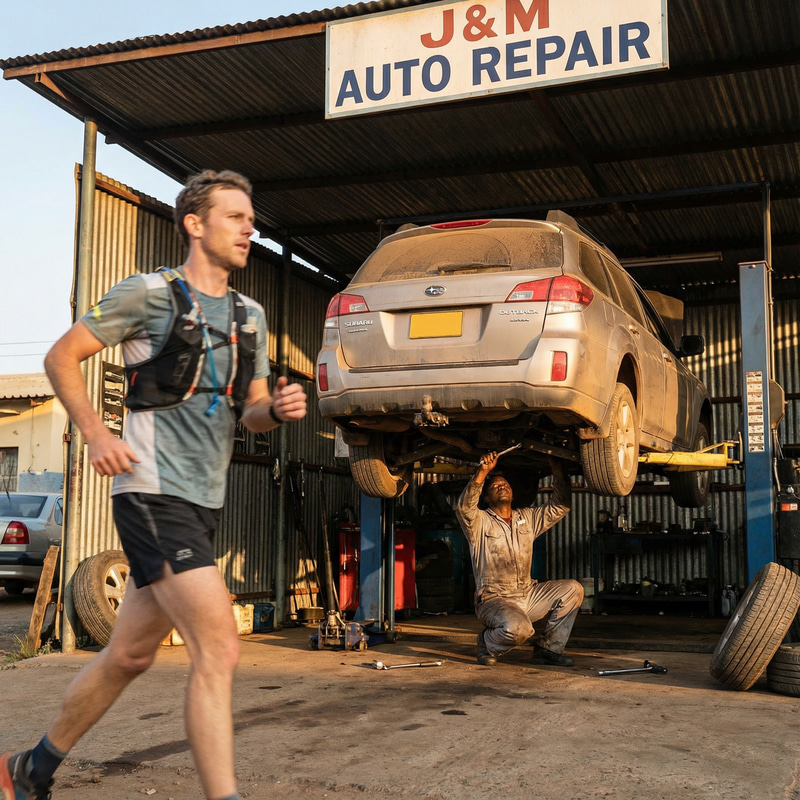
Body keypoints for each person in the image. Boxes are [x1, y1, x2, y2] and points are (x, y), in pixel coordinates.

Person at [1, 169, 306, 800]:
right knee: (218, 647)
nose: (250, 227)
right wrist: (94, 432)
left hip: (202, 503)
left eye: (252, 217)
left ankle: (28, 771)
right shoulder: (148, 295)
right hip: (150, 491)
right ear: (196, 224)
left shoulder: (251, 317)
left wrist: (273, 410)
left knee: (129, 656)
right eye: (236, 217)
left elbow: (247, 412)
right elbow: (61, 356)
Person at [456, 452, 583, 667]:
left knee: (573, 589)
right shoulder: (479, 522)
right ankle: (487, 642)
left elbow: (560, 507)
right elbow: (464, 508)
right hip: (494, 600)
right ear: (486, 498)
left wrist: (557, 469)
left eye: (505, 484)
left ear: (513, 493)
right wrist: (483, 472)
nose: (501, 486)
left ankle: (548, 649)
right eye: (495, 486)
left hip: (527, 594)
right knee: (521, 629)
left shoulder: (527, 518)